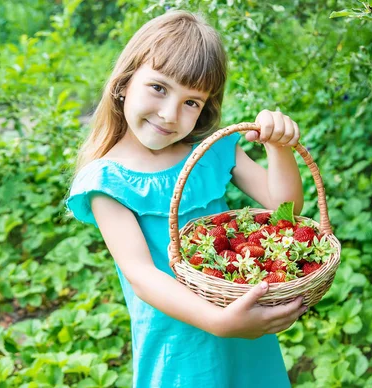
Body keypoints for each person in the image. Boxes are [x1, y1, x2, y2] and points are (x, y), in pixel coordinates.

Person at [67, 10, 307, 388]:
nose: (169, 114)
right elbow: (142, 276)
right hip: (178, 340)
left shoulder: (210, 151)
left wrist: (280, 149)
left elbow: (287, 211)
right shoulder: (108, 180)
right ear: (126, 82)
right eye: (159, 88)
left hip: (241, 313)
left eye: (191, 102)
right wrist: (218, 322)